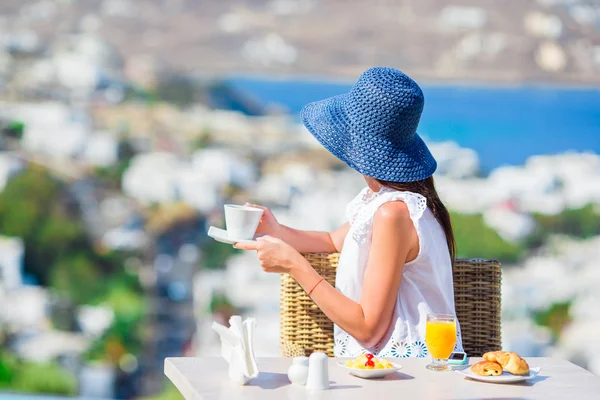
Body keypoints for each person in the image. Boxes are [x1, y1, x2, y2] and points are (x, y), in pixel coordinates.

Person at [235, 67, 463, 358]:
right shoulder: (394, 202)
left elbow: (368, 329)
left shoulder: (393, 214)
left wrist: (295, 266)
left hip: (405, 379)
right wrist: (275, 231)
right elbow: (333, 240)